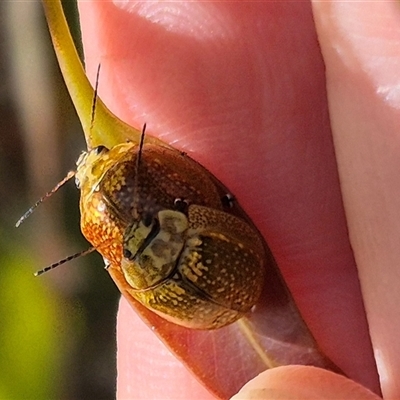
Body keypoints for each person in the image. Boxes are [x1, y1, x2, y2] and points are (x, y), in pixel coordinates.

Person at [79, 1, 399, 398]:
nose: (142, 223)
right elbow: (212, 207)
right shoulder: (181, 231)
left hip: (221, 299)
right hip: (232, 277)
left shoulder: (155, 287)